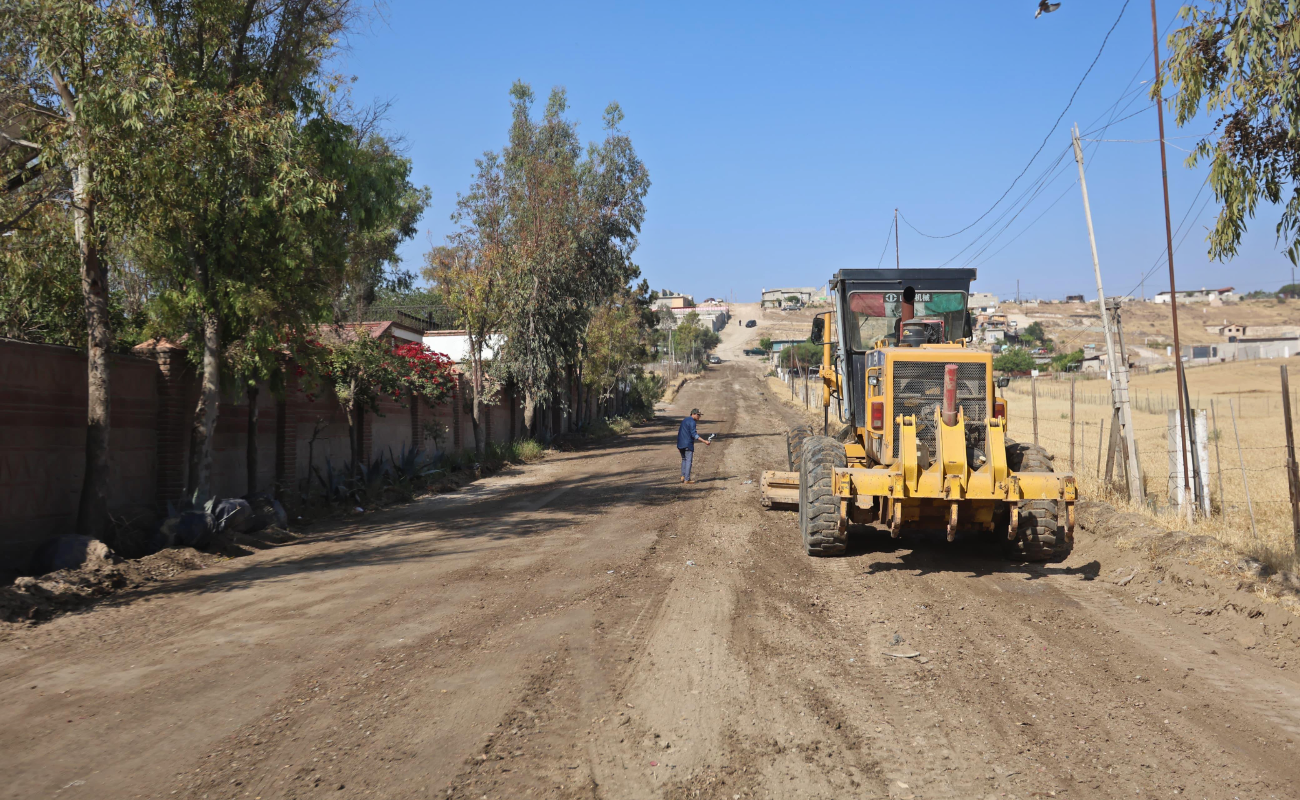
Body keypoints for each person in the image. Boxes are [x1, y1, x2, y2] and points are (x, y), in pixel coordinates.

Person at [677, 408, 711, 483]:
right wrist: (704, 441)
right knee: (688, 461)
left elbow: (679, 432)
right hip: (688, 444)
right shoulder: (692, 422)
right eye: (698, 415)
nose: (699, 417)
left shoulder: (684, 420)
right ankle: (687, 479)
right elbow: (694, 434)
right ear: (693, 414)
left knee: (684, 459)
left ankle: (683, 476)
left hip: (681, 443)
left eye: (700, 415)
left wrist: (678, 445)